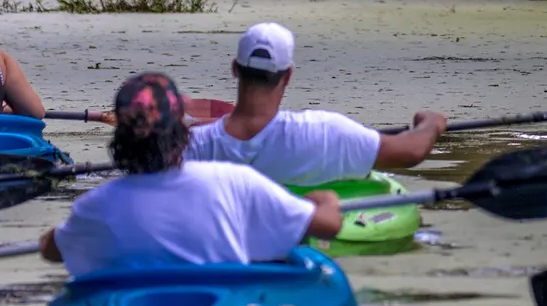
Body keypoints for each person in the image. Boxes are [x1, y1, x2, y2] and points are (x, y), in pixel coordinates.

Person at [40, 72, 343, 276]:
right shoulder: (234, 181)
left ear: (120, 140)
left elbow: (50, 250)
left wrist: (56, 234)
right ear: (183, 133)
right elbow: (327, 226)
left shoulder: (94, 204)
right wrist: (325, 200)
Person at [184, 22, 446, 184]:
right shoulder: (323, 132)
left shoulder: (190, 145)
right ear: (288, 75)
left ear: (235, 69)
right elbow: (411, 151)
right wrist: (430, 124)